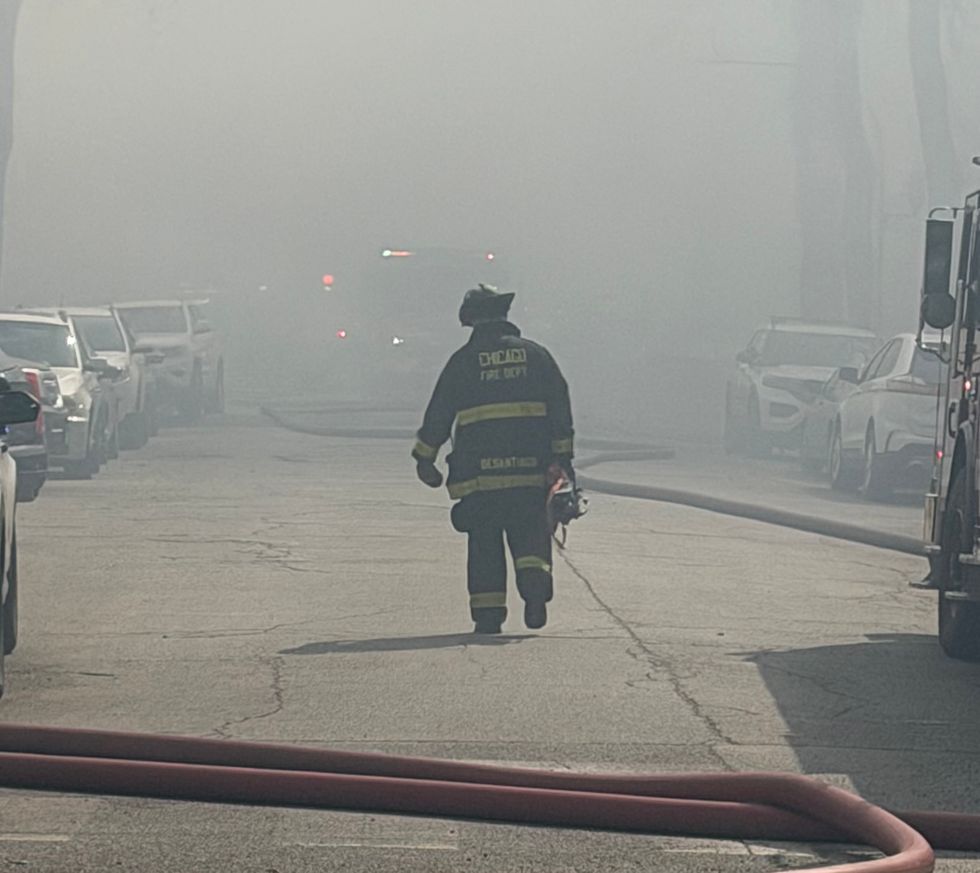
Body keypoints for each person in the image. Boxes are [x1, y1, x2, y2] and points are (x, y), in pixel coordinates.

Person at [411, 284, 574, 634]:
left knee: (484, 544)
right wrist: (563, 459)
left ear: (472, 321)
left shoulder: (463, 362)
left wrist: (425, 459)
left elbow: (439, 413)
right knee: (531, 536)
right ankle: (533, 594)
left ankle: (488, 617)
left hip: (480, 479)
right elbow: (560, 408)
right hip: (531, 475)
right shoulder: (537, 356)